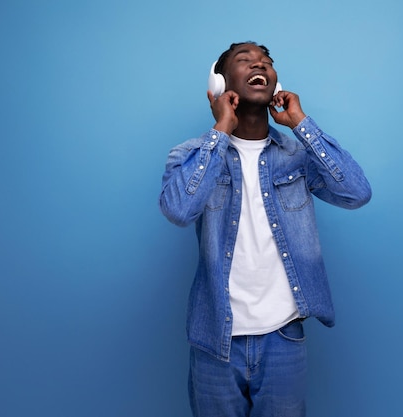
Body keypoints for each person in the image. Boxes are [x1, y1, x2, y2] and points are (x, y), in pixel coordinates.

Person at [159, 41, 371, 417]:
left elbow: (356, 193)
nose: (259, 65)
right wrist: (221, 129)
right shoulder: (191, 155)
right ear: (221, 85)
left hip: (283, 338)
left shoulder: (297, 156)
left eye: (266, 63)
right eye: (245, 60)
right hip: (215, 341)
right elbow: (178, 210)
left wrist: (302, 125)